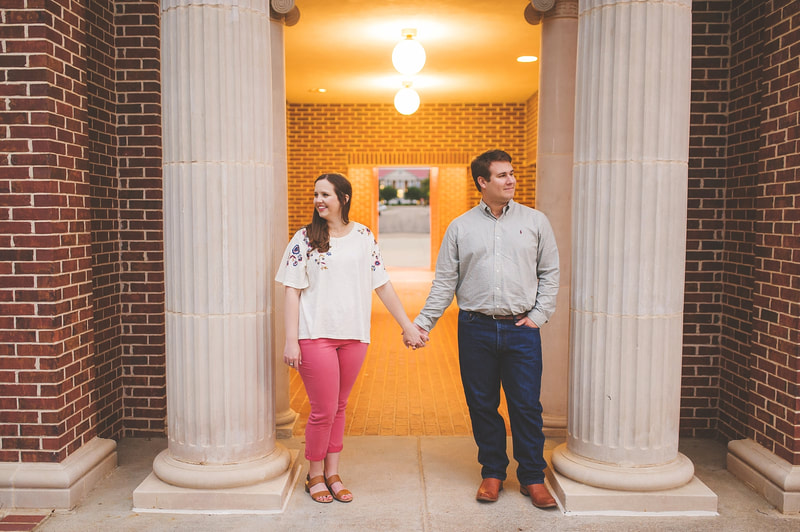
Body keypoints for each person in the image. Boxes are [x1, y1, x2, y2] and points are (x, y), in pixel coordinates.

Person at [413, 149, 559, 509]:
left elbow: (550, 273)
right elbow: (445, 282)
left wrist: (539, 315)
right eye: (501, 175)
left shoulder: (536, 221)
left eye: (511, 174)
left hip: (522, 328)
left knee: (525, 405)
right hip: (475, 328)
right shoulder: (461, 227)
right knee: (482, 404)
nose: (511, 180)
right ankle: (492, 472)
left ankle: (532, 477)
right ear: (482, 181)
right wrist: (422, 324)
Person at [276, 173, 425, 504]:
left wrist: (407, 325)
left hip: (355, 335)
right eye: (316, 194)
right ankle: (314, 475)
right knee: (322, 409)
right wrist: (291, 340)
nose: (319, 200)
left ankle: (333, 472)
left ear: (343, 198)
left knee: (339, 407)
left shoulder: (363, 236)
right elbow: (291, 290)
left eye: (325, 194)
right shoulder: (304, 238)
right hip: (316, 336)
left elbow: (382, 283)